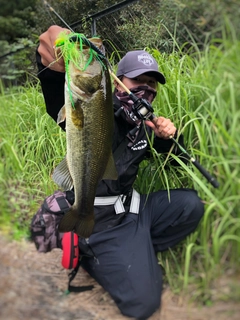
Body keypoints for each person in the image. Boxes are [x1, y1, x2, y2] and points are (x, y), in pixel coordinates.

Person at [36, 25, 204, 320]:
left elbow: (176, 164)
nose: (147, 90)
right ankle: (91, 250)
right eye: (138, 81)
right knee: (143, 304)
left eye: (152, 85)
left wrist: (169, 141)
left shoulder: (145, 126)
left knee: (191, 205)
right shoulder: (99, 107)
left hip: (132, 211)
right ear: (117, 82)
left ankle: (133, 251)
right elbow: (58, 101)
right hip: (100, 221)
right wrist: (51, 65)